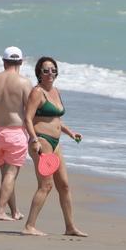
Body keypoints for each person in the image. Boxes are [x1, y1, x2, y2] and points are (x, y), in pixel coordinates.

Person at [22, 57, 86, 236]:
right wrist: (33, 139)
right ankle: (29, 226)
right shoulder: (37, 92)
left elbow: (56, 120)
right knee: (46, 185)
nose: (50, 73)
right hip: (41, 142)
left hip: (56, 143)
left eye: (53, 70)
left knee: (64, 185)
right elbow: (27, 118)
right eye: (45, 70)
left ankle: (70, 227)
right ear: (39, 74)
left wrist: (70, 133)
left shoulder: (56, 91)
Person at [0, 46, 32, 221]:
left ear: (3, 62)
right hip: (15, 132)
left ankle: (14, 211)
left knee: (6, 175)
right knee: (11, 174)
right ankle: (0, 210)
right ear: (21, 62)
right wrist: (35, 136)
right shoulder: (24, 82)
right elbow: (31, 112)